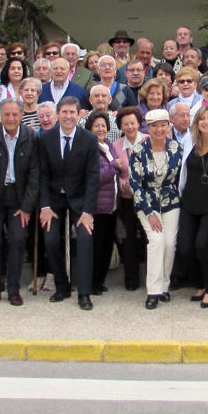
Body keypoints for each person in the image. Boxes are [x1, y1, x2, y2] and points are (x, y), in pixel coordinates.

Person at [0, 99, 40, 306]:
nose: (11, 118)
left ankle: (14, 289)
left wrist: (27, 208)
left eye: (15, 114)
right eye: (7, 114)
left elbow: (34, 176)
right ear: (0, 115)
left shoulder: (31, 136)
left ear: (21, 116)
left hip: (18, 199)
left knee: (18, 240)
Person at [36, 97, 99, 309]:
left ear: (79, 114)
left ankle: (84, 293)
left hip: (80, 197)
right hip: (53, 199)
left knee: (85, 238)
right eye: (64, 112)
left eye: (72, 112)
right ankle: (62, 286)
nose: (68, 116)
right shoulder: (46, 138)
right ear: (57, 115)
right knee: (51, 239)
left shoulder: (88, 138)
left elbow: (93, 177)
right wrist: (44, 206)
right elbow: (42, 175)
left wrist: (88, 211)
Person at [130, 108, 183, 309]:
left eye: (163, 125)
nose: (159, 129)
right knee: (156, 241)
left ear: (168, 126)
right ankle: (153, 291)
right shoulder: (138, 150)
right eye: (154, 126)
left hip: (171, 201)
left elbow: (180, 179)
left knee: (170, 243)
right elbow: (135, 183)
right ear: (148, 128)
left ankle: (164, 286)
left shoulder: (177, 148)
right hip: (147, 203)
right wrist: (149, 212)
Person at [176, 104, 208, 309]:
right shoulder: (189, 142)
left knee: (202, 245)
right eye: (202, 119)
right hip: (189, 201)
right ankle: (200, 284)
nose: (206, 122)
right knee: (185, 248)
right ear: (196, 123)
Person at [83, 108, 125, 297]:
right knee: (96, 247)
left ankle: (99, 281)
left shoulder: (108, 144)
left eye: (103, 125)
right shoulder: (88, 147)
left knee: (107, 245)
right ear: (89, 128)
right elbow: (95, 177)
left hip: (112, 205)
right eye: (96, 126)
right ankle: (91, 283)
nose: (100, 129)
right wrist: (114, 166)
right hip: (98, 206)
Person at [111, 106, 147, 290]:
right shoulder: (116, 146)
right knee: (129, 238)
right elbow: (115, 172)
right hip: (126, 199)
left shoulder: (150, 141)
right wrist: (123, 183)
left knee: (151, 238)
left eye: (133, 122)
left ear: (139, 123)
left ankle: (154, 279)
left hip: (148, 199)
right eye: (126, 123)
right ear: (121, 126)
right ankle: (131, 279)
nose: (130, 126)